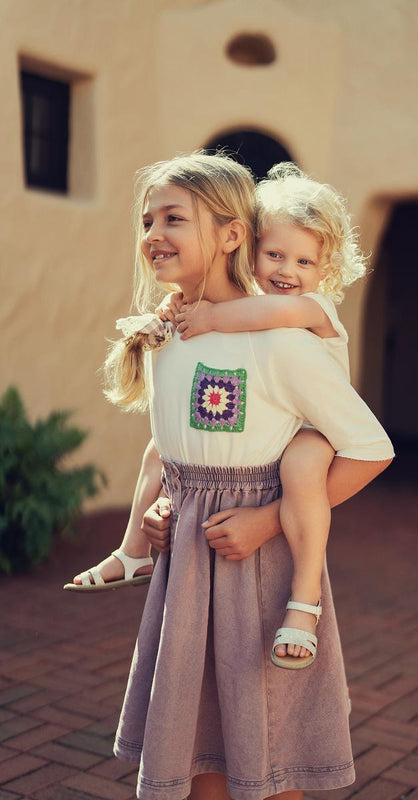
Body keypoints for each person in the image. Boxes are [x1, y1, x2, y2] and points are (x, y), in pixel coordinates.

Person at [76, 151, 394, 800]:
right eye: (147, 220)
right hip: (189, 571)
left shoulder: (281, 341)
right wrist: (165, 509)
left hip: (261, 573)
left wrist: (265, 520)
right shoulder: (170, 335)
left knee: (268, 760)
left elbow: (368, 449)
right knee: (202, 759)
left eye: (174, 218)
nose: (153, 234)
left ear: (229, 235)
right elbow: (176, 449)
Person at [157, 162, 365, 668]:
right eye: (274, 254)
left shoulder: (312, 310)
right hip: (286, 425)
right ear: (251, 253)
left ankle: (304, 602)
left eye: (304, 261)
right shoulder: (257, 308)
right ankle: (132, 550)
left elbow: (263, 316)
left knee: (300, 471)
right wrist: (173, 306)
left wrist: (204, 317)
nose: (286, 271)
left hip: (317, 431)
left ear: (325, 271)